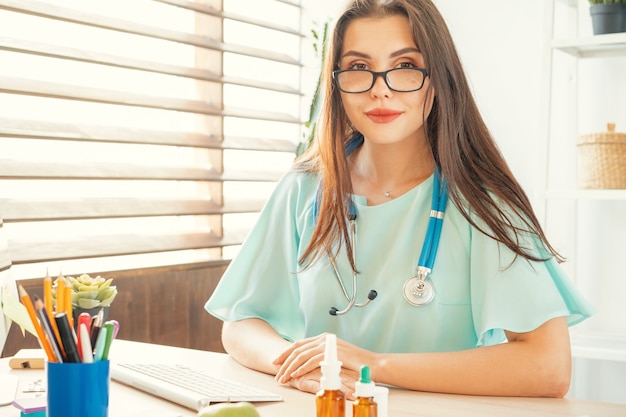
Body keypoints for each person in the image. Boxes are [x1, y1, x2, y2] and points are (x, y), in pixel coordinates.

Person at [205, 0, 594, 399]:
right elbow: (240, 320)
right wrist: (300, 364)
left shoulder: (483, 203)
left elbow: (548, 366)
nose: (380, 89)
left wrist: (372, 365)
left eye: (405, 65)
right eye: (358, 68)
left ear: (438, 79)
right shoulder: (304, 188)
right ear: (336, 82)